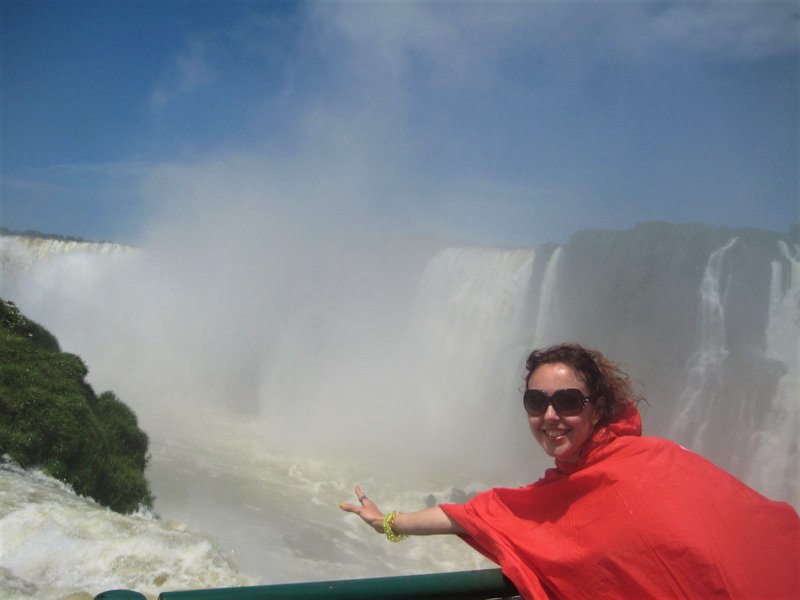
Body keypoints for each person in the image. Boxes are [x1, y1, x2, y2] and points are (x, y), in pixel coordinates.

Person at [340, 342, 800, 599]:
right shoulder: (557, 493)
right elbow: (478, 513)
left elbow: (750, 523)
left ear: (597, 408)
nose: (550, 416)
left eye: (567, 401)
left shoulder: (656, 460)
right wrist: (386, 523)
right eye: (536, 402)